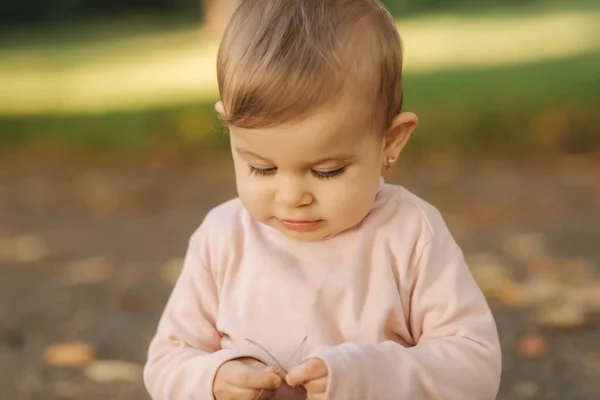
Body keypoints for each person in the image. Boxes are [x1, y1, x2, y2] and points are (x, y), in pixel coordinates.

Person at [143, 0, 502, 399]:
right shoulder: (223, 238)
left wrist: (367, 377)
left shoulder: (410, 234)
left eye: (327, 171)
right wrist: (211, 379)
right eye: (262, 168)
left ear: (391, 141)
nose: (292, 196)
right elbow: (166, 363)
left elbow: (474, 366)